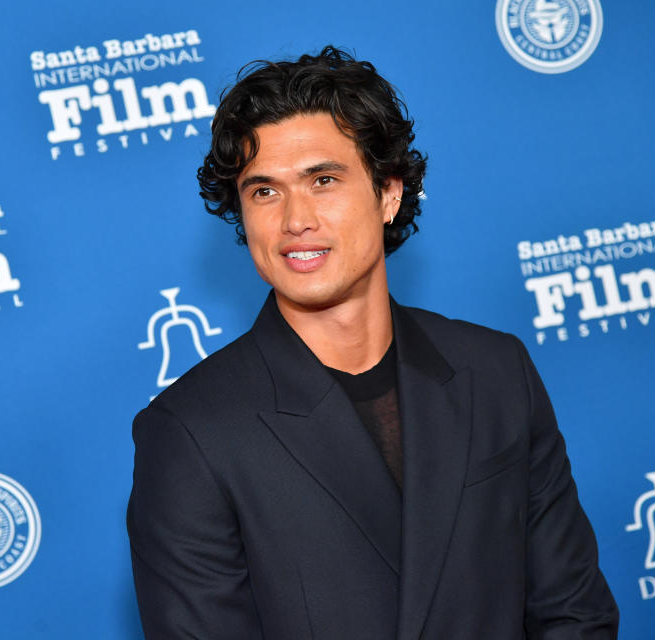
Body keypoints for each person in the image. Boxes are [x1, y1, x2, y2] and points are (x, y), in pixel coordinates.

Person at [127, 46, 618, 639]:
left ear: (388, 194)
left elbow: (573, 613)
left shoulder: (494, 370)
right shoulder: (191, 432)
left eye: (323, 180)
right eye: (264, 192)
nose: (294, 220)